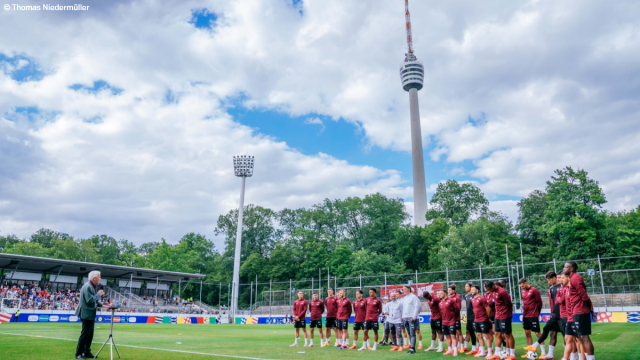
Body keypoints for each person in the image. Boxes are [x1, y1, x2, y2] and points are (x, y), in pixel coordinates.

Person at [525, 271, 565, 359]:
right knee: (549, 331)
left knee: (566, 336)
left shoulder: (563, 287)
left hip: (563, 315)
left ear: (554, 278)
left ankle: (571, 356)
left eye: (550, 279)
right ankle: (549, 354)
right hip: (555, 315)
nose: (548, 282)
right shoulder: (551, 288)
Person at [562, 262, 596, 360]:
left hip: (581, 311)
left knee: (584, 338)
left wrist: (591, 310)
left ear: (571, 269)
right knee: (581, 337)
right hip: (577, 311)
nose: (564, 269)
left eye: (566, 267)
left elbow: (584, 296)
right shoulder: (572, 279)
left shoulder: (575, 278)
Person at [75, 270, 104, 359]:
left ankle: (87, 351)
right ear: (94, 278)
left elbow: (92, 300)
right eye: (99, 277)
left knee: (90, 334)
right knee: (85, 334)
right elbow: (89, 300)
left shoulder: (91, 286)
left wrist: (101, 304)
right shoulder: (88, 286)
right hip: (86, 313)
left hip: (89, 314)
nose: (100, 278)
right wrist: (99, 294)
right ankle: (79, 354)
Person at [485, 280, 515, 360]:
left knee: (507, 335)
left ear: (492, 286)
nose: (488, 291)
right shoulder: (493, 292)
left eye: (489, 289)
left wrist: (507, 314)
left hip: (504, 316)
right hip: (497, 316)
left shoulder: (502, 292)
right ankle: (497, 354)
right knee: (497, 334)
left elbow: (509, 304)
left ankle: (512, 355)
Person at [519, 278, 544, 358]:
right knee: (527, 333)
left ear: (526, 283)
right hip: (525, 315)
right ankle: (529, 353)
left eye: (522, 286)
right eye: (520, 287)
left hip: (533, 315)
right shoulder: (522, 291)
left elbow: (539, 302)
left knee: (537, 333)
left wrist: (537, 312)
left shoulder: (534, 290)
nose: (522, 288)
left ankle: (543, 352)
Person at [471, 285, 493, 358]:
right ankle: (482, 352)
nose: (471, 291)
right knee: (479, 336)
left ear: (477, 290)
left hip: (483, 320)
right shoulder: (472, 299)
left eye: (473, 290)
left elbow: (488, 309)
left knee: (486, 336)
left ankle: (489, 352)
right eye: (471, 290)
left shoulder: (482, 298)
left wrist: (488, 318)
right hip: (476, 320)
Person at [399, 285, 421, 354]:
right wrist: (403, 316)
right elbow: (404, 308)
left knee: (412, 333)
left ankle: (413, 349)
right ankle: (411, 347)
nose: (403, 290)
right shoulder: (405, 298)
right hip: (405, 318)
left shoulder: (414, 297)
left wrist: (414, 316)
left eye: (404, 289)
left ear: (409, 289)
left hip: (412, 317)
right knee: (409, 333)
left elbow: (418, 307)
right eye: (403, 289)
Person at [438, 288, 460, 356]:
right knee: (447, 336)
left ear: (445, 294)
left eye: (441, 294)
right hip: (444, 322)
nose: (440, 295)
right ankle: (449, 350)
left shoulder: (451, 300)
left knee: (453, 336)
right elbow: (441, 312)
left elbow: (457, 310)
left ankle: (455, 351)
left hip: (451, 321)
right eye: (439, 294)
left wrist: (454, 318)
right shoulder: (440, 302)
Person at [448, 284, 464, 352]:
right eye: (448, 290)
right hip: (449, 319)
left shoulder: (457, 297)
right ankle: (454, 347)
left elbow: (458, 308)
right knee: (451, 333)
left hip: (456, 317)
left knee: (458, 332)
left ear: (454, 290)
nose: (449, 291)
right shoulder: (448, 297)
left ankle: (462, 347)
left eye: (450, 290)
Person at [464, 282, 478, 355]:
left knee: (478, 333)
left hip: (474, 317)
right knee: (470, 333)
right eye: (465, 286)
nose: (465, 287)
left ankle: (478, 348)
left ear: (471, 287)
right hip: (468, 317)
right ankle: (472, 348)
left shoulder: (474, 296)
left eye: (467, 286)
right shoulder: (466, 296)